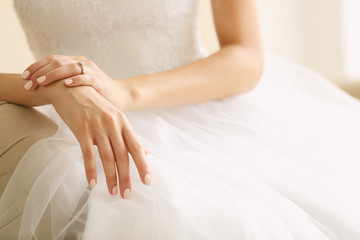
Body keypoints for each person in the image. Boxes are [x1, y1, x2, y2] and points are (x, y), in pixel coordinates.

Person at [1, 0, 360, 239]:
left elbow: (246, 56)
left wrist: (123, 92)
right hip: (77, 117)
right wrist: (51, 87)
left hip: (207, 106)